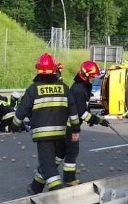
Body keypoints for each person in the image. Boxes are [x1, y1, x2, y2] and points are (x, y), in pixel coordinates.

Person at [12, 53, 80, 194]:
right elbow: (73, 111)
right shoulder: (64, 88)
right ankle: (35, 187)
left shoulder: (33, 89)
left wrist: (15, 125)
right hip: (60, 133)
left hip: (43, 135)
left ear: (38, 70)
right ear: (54, 70)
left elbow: (22, 110)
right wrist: (75, 129)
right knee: (49, 161)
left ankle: (58, 191)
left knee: (48, 164)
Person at [58, 61, 110, 186]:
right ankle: (69, 179)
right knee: (72, 151)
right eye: (92, 77)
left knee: (61, 152)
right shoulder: (78, 90)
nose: (94, 79)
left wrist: (91, 118)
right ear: (85, 76)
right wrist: (98, 120)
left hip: (69, 124)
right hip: (71, 126)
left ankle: (47, 171)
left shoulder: (83, 86)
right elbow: (81, 113)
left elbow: (84, 107)